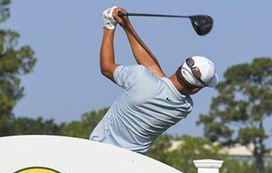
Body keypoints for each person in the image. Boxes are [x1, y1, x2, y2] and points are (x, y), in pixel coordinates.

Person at [90, 6, 218, 154]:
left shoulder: (140, 76)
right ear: (195, 89)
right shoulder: (184, 108)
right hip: (132, 162)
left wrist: (109, 26)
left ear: (179, 68)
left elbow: (106, 67)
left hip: (98, 151)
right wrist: (127, 25)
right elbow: (151, 66)